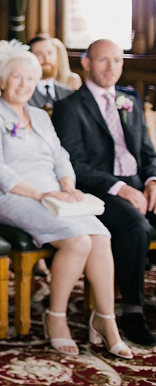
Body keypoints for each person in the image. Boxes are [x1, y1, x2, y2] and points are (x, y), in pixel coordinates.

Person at [0, 44, 129, 358]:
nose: (24, 84)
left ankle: (106, 320)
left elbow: (61, 158)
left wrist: (68, 186)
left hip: (52, 191)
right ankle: (55, 318)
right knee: (78, 241)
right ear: (2, 81)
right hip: (9, 194)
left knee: (101, 237)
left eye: (30, 78)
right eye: (16, 77)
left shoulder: (41, 117)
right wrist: (41, 194)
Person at [53, 39, 156, 347]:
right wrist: (120, 188)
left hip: (137, 184)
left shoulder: (129, 99)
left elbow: (148, 152)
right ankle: (131, 311)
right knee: (135, 227)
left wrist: (152, 180)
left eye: (117, 61)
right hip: (98, 192)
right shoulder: (69, 106)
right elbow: (74, 164)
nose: (112, 68)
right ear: (86, 63)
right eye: (103, 61)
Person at [28, 36, 74, 110]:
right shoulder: (24, 93)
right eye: (39, 54)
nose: (46, 59)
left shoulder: (68, 93)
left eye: (50, 53)